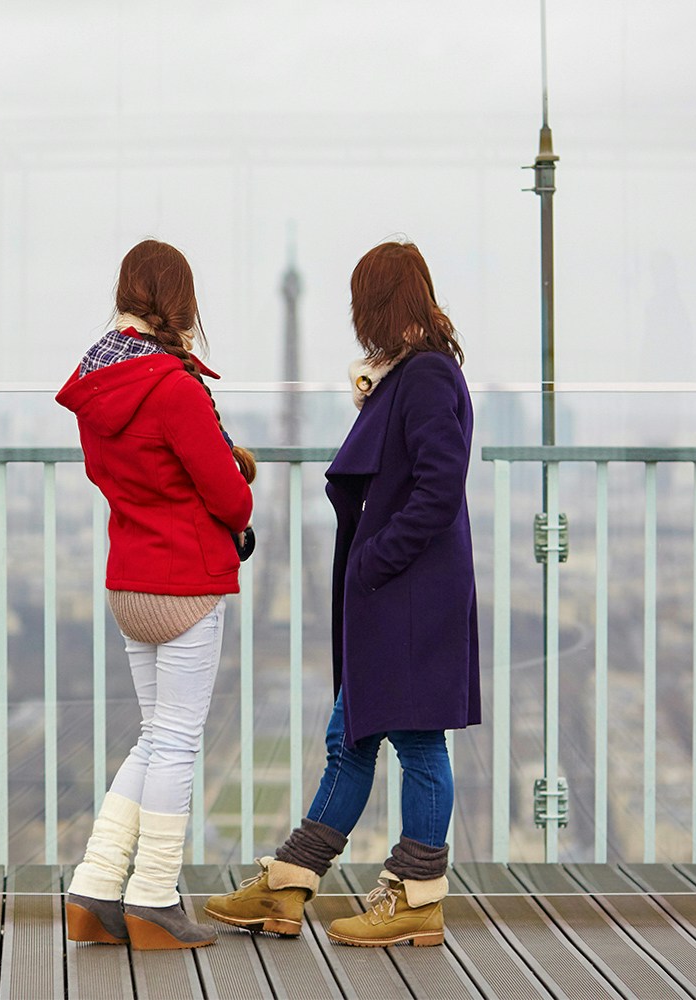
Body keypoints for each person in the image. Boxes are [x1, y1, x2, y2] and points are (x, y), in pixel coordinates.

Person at [205, 238, 480, 947]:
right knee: (350, 735)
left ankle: (413, 897)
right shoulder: (413, 374)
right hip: (401, 594)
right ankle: (290, 883)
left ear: (381, 305)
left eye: (363, 302)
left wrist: (375, 561)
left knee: (414, 742)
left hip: (408, 596)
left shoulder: (421, 378)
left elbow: (439, 486)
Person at [55, 239, 256, 951]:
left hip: (128, 580)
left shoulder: (97, 382)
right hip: (184, 584)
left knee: (152, 737)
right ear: (179, 298)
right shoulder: (172, 385)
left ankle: (96, 887)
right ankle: (154, 899)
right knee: (175, 743)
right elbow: (229, 497)